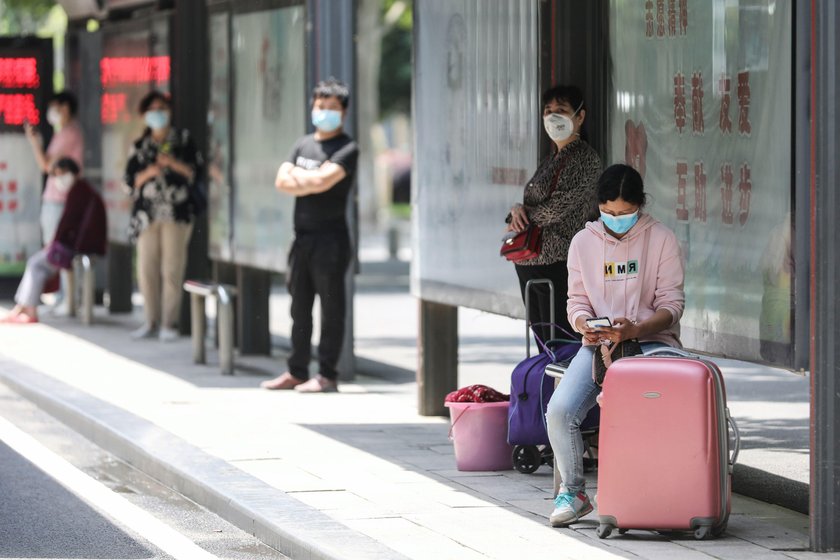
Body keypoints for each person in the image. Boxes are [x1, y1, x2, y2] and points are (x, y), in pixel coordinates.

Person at [545, 164, 685, 527]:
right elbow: (576, 302)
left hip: (652, 345)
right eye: (608, 213)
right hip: (598, 347)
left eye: (624, 214)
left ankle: (651, 492)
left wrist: (636, 329)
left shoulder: (662, 239)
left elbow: (672, 306)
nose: (615, 220)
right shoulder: (583, 242)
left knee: (633, 410)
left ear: (640, 205)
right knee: (560, 411)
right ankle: (573, 492)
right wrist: (583, 326)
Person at [261, 78, 359, 393]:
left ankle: (327, 374)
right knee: (298, 307)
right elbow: (281, 181)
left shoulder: (347, 148)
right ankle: (297, 370)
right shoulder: (302, 144)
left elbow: (321, 182)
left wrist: (301, 178)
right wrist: (312, 178)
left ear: (343, 112)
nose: (324, 112)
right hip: (300, 239)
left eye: (331, 107)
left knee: (331, 309)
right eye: (320, 106)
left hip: (331, 241)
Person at [506, 85, 602, 343]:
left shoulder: (583, 158)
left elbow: (558, 206)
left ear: (580, 117)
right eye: (548, 111)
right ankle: (548, 384)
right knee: (543, 341)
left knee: (561, 338)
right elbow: (535, 204)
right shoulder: (553, 158)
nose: (553, 116)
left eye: (561, 110)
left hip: (559, 262)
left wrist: (524, 215)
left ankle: (563, 384)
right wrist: (517, 212)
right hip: (533, 261)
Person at [125, 91, 203, 343]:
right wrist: (150, 171)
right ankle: (150, 320)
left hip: (176, 214)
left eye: (162, 108)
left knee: (172, 268)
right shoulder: (139, 146)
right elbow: (130, 183)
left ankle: (169, 323)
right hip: (147, 216)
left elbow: (196, 173)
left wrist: (171, 163)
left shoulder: (183, 140)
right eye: (152, 109)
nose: (157, 113)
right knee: (146, 268)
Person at [1, 158, 106, 324]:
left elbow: (67, 224)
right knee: (39, 267)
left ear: (74, 173)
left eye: (63, 173)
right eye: (56, 174)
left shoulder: (79, 193)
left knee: (35, 264)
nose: (60, 178)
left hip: (77, 248)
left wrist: (54, 244)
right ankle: (24, 308)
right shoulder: (82, 191)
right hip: (81, 246)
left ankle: (27, 310)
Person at [24, 91, 85, 309]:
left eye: (56, 107)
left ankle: (69, 299)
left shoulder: (69, 134)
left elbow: (46, 166)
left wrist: (33, 142)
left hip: (59, 201)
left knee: (58, 251)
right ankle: (65, 297)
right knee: (58, 251)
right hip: (56, 200)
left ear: (66, 108)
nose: (53, 113)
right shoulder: (65, 133)